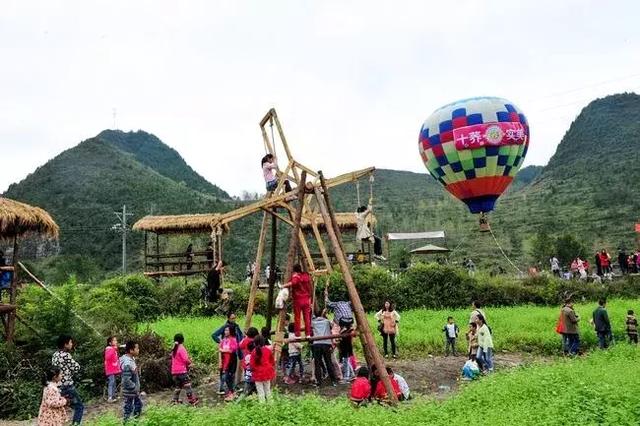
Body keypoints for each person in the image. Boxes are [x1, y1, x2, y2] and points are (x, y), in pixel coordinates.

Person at [51, 335, 83, 425]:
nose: (72, 344)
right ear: (65, 344)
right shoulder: (66, 355)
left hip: (56, 386)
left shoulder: (55, 355)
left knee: (60, 409)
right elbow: (76, 367)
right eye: (70, 342)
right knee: (79, 407)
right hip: (67, 385)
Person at [283, 264, 313, 337]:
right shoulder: (306, 276)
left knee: (297, 318)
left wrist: (283, 285)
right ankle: (308, 334)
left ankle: (298, 334)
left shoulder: (296, 276)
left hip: (298, 300)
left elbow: (293, 283)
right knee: (307, 317)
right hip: (306, 299)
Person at [311, 309, 338, 386]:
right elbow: (332, 326)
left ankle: (318, 381)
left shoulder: (313, 322)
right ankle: (333, 380)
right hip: (326, 343)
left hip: (317, 343)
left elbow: (309, 326)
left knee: (317, 363)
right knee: (328, 362)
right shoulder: (326, 321)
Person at [171, 334, 199, 405]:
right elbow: (185, 359)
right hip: (182, 371)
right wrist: (190, 363)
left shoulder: (174, 348)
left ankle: (175, 400)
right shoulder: (181, 348)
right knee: (187, 386)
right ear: (183, 340)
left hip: (174, 372)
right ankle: (192, 400)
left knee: (178, 387)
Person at [120, 340, 142, 422]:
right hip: (130, 391)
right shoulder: (127, 363)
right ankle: (128, 423)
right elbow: (126, 380)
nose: (138, 350)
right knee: (129, 409)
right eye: (137, 348)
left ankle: (135, 422)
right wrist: (135, 388)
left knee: (138, 406)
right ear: (131, 350)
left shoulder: (131, 359)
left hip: (133, 391)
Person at [250, 335, 276, 403]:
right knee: (268, 390)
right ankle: (271, 404)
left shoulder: (253, 352)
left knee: (260, 392)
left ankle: (262, 407)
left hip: (257, 374)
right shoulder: (268, 350)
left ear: (255, 343)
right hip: (267, 373)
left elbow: (252, 365)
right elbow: (272, 362)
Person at [218, 326, 239, 400]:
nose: (225, 332)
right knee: (225, 377)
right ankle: (232, 392)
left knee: (229, 377)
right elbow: (219, 350)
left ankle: (232, 392)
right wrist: (220, 361)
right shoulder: (223, 340)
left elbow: (232, 350)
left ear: (231, 331)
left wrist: (223, 350)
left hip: (231, 361)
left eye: (227, 330)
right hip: (224, 362)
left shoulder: (233, 340)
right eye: (225, 330)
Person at [104, 336, 121, 403]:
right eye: (114, 340)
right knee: (111, 382)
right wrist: (113, 349)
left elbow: (115, 359)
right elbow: (107, 357)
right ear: (110, 343)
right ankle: (110, 397)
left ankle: (113, 396)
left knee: (114, 382)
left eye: (116, 340)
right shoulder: (108, 349)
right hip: (110, 369)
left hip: (113, 369)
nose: (116, 342)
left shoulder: (113, 349)